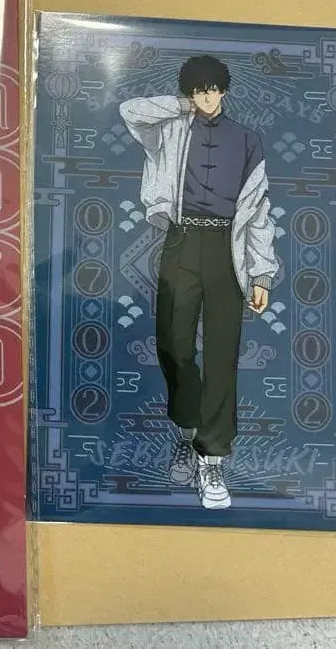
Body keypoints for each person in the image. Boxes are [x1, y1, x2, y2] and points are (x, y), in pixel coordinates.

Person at [119, 55, 279, 509]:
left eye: (212, 89)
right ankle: (188, 433)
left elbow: (259, 211)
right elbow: (130, 110)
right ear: (189, 92)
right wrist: (182, 105)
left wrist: (261, 272)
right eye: (198, 90)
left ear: (224, 90)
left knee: (222, 354)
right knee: (174, 345)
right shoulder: (170, 130)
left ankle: (212, 459)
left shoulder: (248, 140)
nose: (206, 97)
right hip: (181, 244)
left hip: (228, 250)